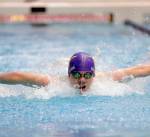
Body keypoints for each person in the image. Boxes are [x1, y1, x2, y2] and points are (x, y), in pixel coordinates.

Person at [0, 52, 150, 93]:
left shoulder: (106, 81)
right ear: (69, 75)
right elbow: (18, 76)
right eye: (77, 75)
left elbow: (139, 70)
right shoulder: (54, 84)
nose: (82, 80)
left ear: (93, 75)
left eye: (87, 75)